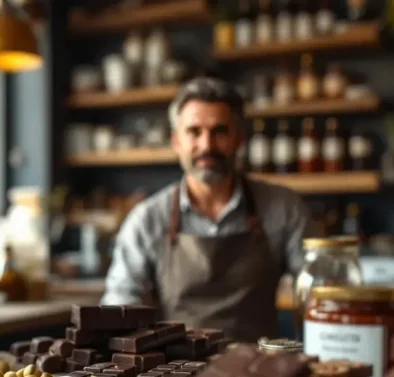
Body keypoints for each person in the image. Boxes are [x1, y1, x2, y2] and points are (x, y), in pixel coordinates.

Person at [100, 77, 314, 341]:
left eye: (219, 131)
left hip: (259, 369)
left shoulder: (284, 209)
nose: (207, 145)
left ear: (239, 139)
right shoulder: (147, 220)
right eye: (194, 132)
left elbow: (317, 291)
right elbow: (121, 306)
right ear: (176, 142)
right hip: (171, 375)